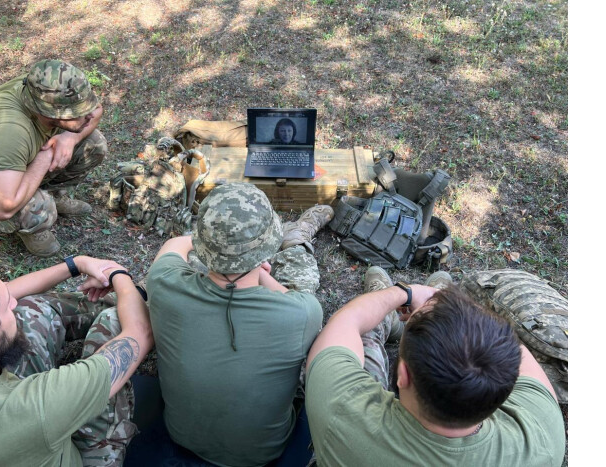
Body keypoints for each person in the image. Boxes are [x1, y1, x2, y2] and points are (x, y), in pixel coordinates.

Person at [146, 182, 333, 466]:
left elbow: (173, 246)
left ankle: (288, 239)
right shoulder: (303, 314)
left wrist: (219, 245)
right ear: (267, 246)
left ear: (202, 241)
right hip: (264, 454)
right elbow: (292, 298)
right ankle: (296, 240)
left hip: (181, 438)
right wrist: (259, 272)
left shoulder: (162, 283)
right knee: (300, 276)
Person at [305, 267, 566, 466]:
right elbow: (518, 354)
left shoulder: (339, 414)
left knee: (363, 335)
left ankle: (384, 313)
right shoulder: (542, 440)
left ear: (403, 375)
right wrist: (454, 311)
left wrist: (405, 293)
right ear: (508, 386)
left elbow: (347, 320)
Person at [0, 254, 153, 466]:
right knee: (114, 321)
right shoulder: (32, 408)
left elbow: (2, 294)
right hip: (70, 450)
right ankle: (142, 301)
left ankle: (124, 302)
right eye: (7, 306)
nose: (13, 302)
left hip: (21, 440)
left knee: (29, 311)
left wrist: (77, 264)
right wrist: (121, 277)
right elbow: (139, 334)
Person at [0, 59, 107, 257]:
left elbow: (97, 110)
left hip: (15, 161)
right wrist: (45, 156)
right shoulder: (8, 133)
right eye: (80, 112)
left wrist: (69, 138)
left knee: (94, 143)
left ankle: (56, 196)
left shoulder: (50, 88)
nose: (90, 114)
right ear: (51, 113)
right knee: (37, 205)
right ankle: (32, 226)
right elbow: (2, 207)